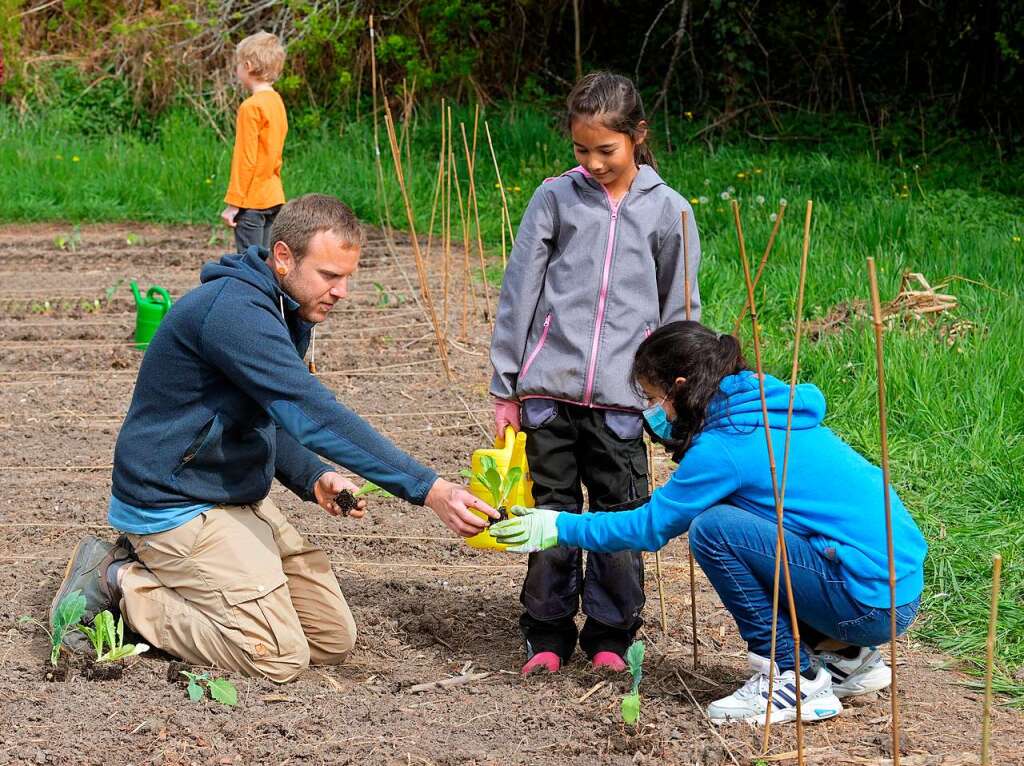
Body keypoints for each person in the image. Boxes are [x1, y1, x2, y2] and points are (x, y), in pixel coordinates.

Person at [51, 194, 496, 683]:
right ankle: (118, 580)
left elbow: (266, 414)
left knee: (330, 640)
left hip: (227, 491)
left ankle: (183, 584)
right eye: (329, 275)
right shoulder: (235, 314)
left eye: (348, 276)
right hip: (173, 502)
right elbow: (309, 412)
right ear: (282, 257)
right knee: (277, 658)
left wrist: (313, 474)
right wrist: (428, 487)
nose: (342, 291)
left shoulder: (285, 309)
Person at [491, 321, 927, 724]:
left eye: (654, 397)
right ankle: (847, 655)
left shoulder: (726, 445)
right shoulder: (762, 406)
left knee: (715, 529)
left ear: (679, 387)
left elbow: (649, 528)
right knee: (755, 522)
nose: (655, 412)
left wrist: (559, 526)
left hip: (867, 603)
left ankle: (791, 676)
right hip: (890, 585)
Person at [489, 71, 701, 675]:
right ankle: (547, 632)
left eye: (605, 150)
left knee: (619, 512)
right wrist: (507, 385)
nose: (593, 162)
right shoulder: (554, 198)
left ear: (638, 136)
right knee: (549, 510)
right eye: (581, 150)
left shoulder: (671, 213)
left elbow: (680, 314)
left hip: (624, 400)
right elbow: (519, 292)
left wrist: (675, 401)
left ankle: (611, 632)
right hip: (547, 394)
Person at [221, 31, 289, 253]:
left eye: (238, 64)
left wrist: (233, 204)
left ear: (248, 66)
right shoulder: (276, 101)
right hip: (274, 197)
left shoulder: (251, 107)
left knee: (250, 268)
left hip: (252, 202)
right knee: (268, 265)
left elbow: (245, 159)